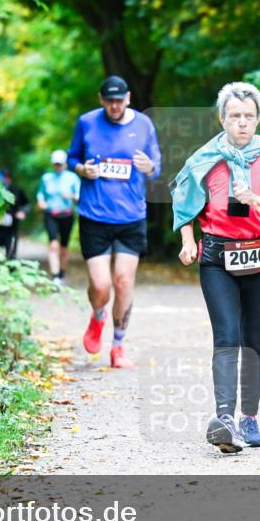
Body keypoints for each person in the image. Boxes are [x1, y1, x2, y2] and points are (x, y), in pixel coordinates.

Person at [171, 81, 260, 453]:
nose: (242, 123)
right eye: (235, 116)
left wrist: (254, 199)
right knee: (226, 335)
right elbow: (184, 198)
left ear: (258, 119)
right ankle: (224, 419)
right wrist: (187, 241)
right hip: (218, 259)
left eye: (249, 116)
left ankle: (250, 419)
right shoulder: (207, 158)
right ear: (222, 119)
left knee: (253, 338)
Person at [67, 75, 162, 368]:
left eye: (119, 100)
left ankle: (118, 345)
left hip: (131, 216)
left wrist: (150, 167)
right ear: (101, 99)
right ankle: (98, 317)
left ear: (129, 98)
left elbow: (156, 166)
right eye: (109, 100)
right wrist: (82, 169)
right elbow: (72, 159)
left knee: (123, 280)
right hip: (94, 215)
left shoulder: (143, 125)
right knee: (100, 285)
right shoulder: (86, 123)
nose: (114, 105)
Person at [37, 149, 81, 285]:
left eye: (60, 164)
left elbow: (80, 196)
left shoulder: (72, 178)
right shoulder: (46, 178)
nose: (57, 167)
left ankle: (62, 273)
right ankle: (55, 275)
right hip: (51, 214)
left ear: (65, 164)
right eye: (55, 164)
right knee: (53, 245)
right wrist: (41, 202)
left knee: (64, 247)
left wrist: (72, 196)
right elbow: (40, 194)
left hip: (67, 215)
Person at [0, 169, 29, 259]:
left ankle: (10, 268)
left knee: (11, 253)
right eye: (3, 178)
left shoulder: (16, 191)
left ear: (10, 179)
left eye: (7, 178)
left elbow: (26, 204)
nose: (4, 180)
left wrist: (22, 212)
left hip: (12, 227)